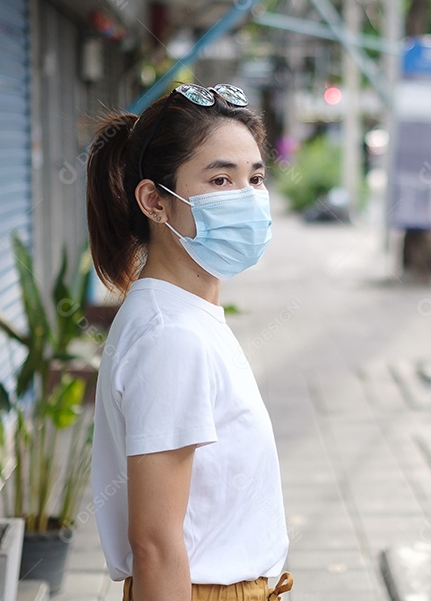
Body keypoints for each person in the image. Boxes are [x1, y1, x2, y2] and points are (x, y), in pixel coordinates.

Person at [85, 83, 291, 601]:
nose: (246, 198)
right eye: (221, 179)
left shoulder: (185, 316)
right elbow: (155, 545)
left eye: (255, 178)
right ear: (155, 201)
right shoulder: (171, 337)